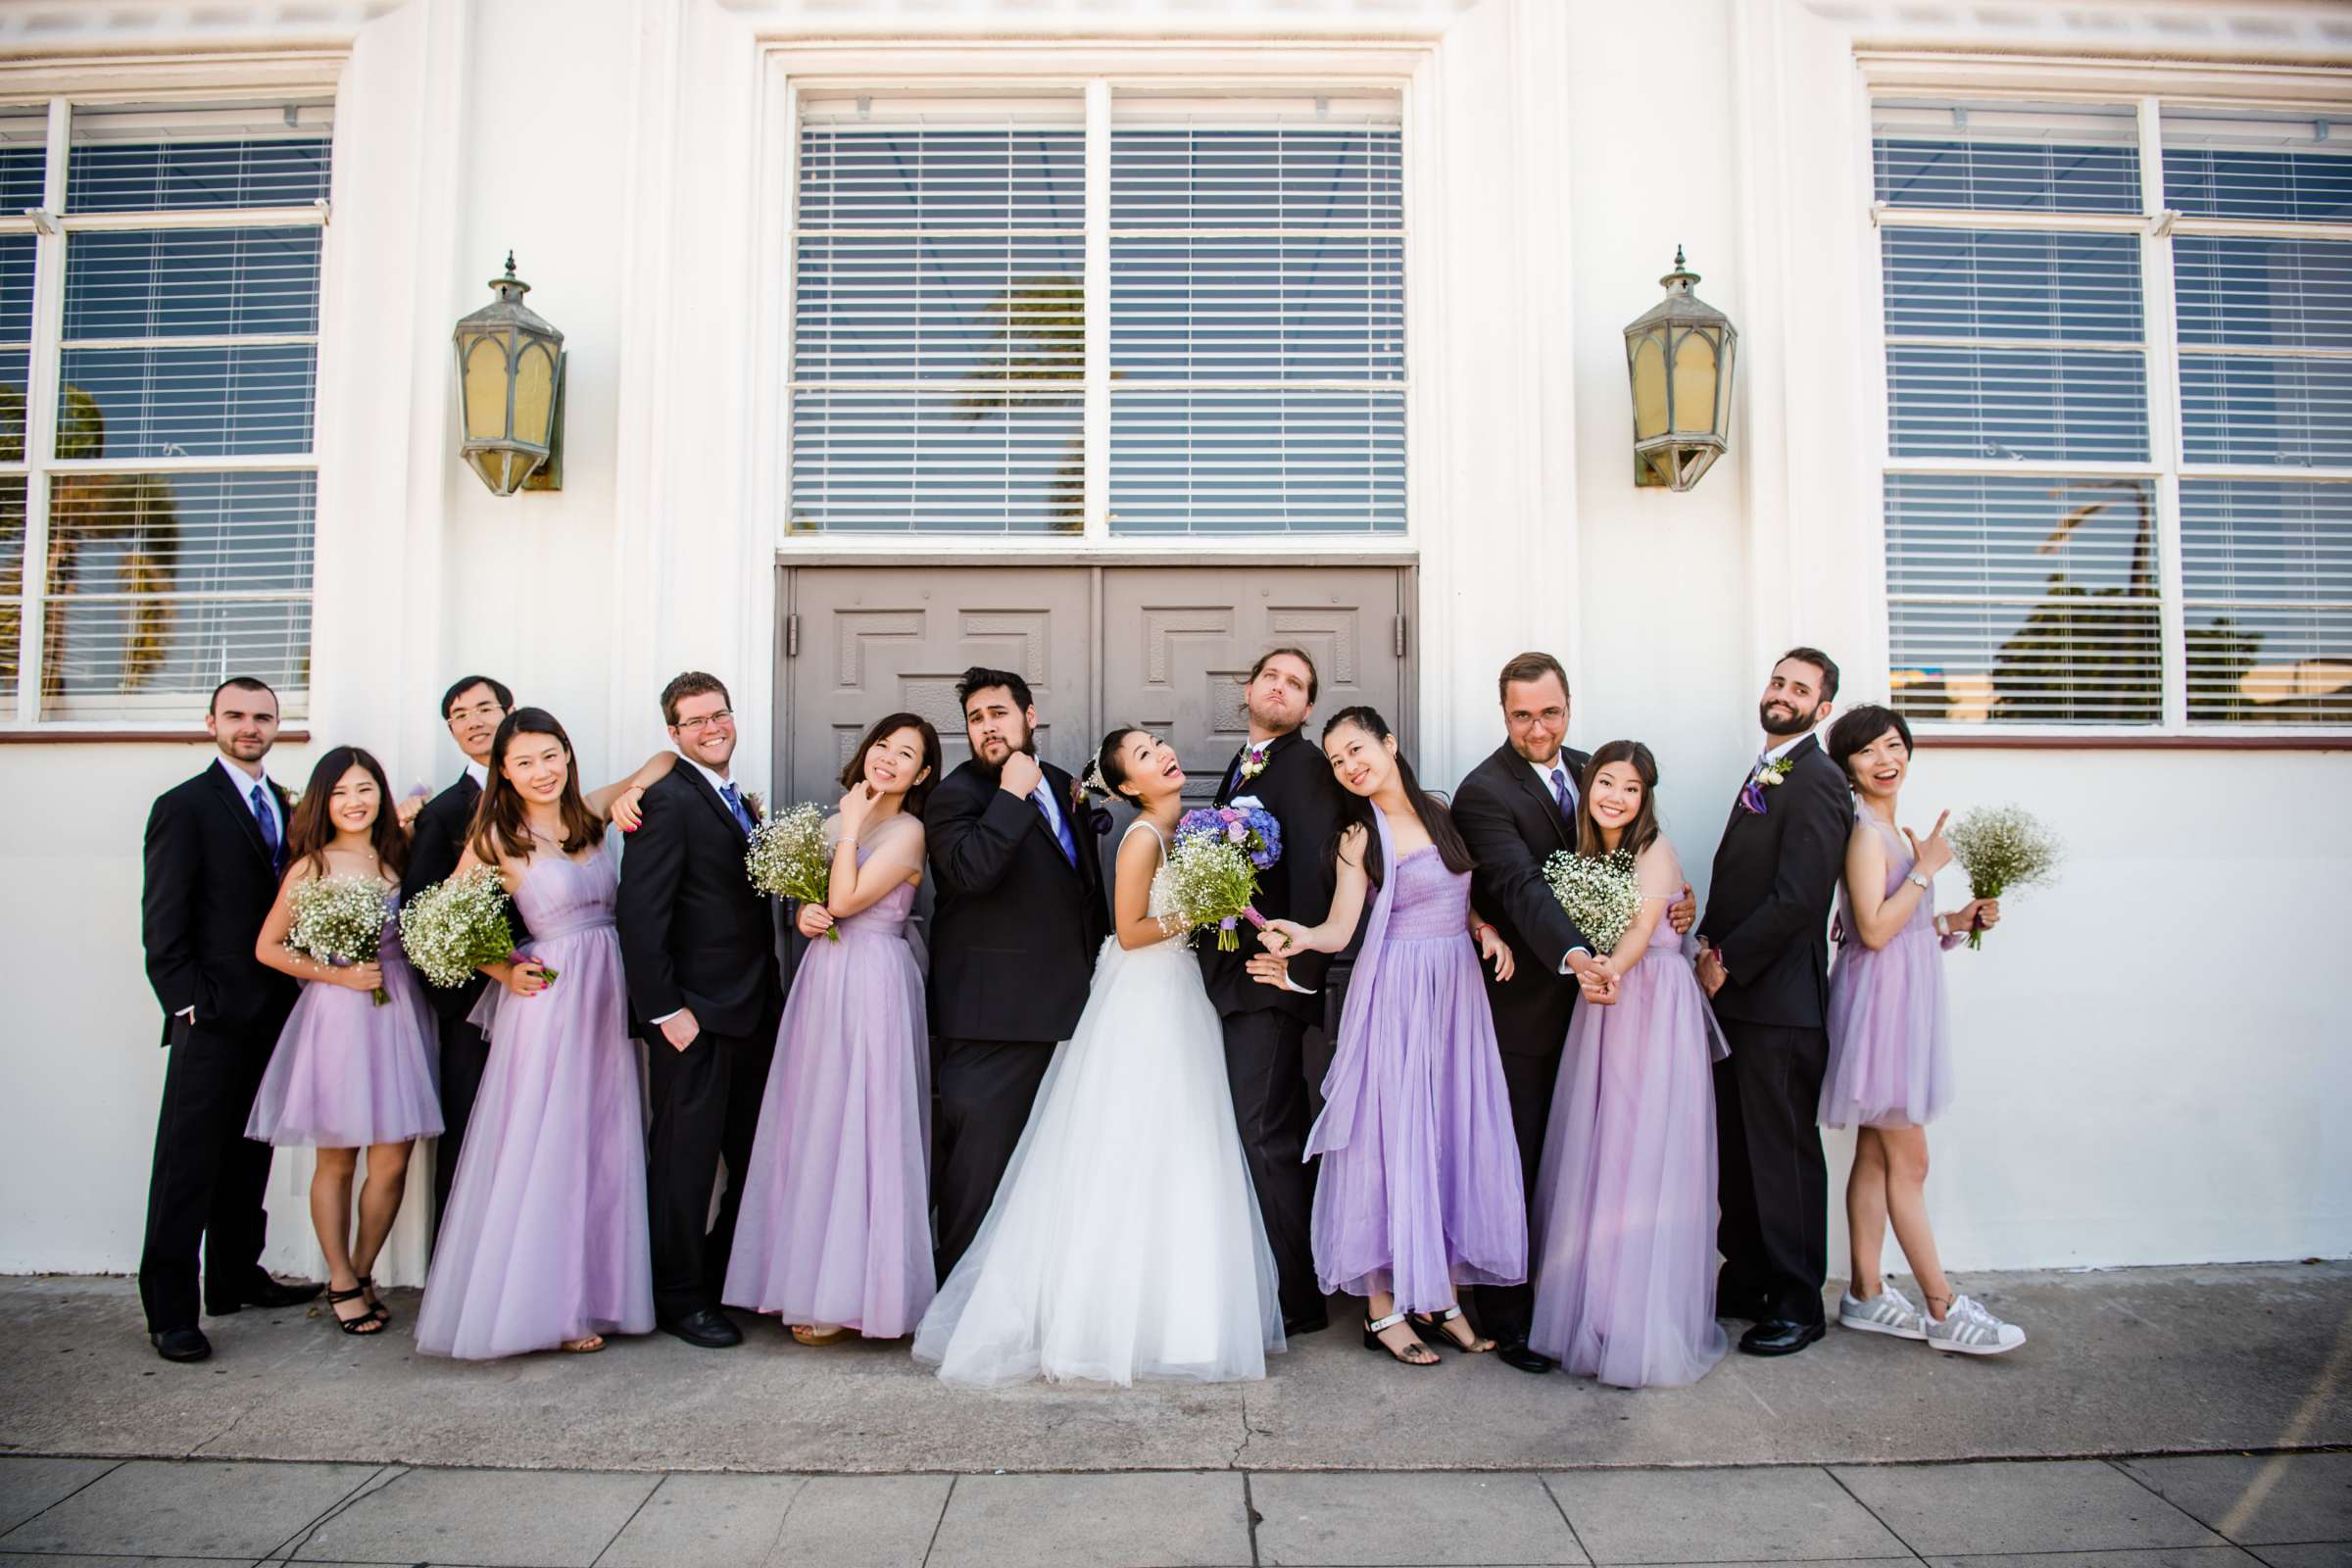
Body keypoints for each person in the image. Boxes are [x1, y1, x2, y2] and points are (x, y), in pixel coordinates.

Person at [914, 728, 1284, 1387]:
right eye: (1143, 755)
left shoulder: (1195, 831)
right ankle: (1098, 1318)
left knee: (1184, 1150)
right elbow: (1133, 929)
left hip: (1180, 999)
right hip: (1143, 998)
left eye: (1161, 744)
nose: (1164, 754)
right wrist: (1202, 910)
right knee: (1126, 1148)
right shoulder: (1142, 837)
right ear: (1129, 785)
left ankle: (1182, 1318)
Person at [1450, 652, 1694, 1373]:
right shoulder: (1483, 793)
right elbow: (1523, 886)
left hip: (1611, 1019)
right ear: (1504, 715)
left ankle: (1583, 1303)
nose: (1537, 727)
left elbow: (1643, 857)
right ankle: (1513, 1316)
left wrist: (1677, 903)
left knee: (1592, 1164)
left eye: (1549, 712)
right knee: (1522, 1160)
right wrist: (1578, 957)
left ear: (1569, 707)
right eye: (1522, 715)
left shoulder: (1599, 771)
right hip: (1532, 1003)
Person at [1259, 708, 1524, 1368]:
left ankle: (1443, 1297)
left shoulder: (1437, 808)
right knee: (1390, 1137)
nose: (1351, 766)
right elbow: (1342, 928)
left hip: (1456, 992)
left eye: (1357, 749)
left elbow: (1459, 891)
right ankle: (1383, 1309)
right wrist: (1302, 935)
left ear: (1389, 743)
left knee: (1450, 1133)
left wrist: (1484, 929)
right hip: (1399, 993)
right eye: (1339, 761)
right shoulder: (1358, 836)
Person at [415, 710, 672, 1358]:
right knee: (551, 1143)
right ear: (503, 771)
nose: (541, 771)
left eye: (551, 755)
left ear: (567, 754)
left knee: (603, 1141)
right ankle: (549, 1307)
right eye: (524, 761)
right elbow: (430, 926)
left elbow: (664, 761)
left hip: (607, 995)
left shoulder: (587, 815)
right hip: (551, 1002)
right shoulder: (496, 840)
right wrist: (502, 969)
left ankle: (600, 1295)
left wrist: (635, 794)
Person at [726, 714, 940, 1345]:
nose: (890, 760)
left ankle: (862, 1291)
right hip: (824, 979)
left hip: (874, 977)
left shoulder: (908, 831)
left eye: (908, 755)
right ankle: (805, 1280)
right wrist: (806, 916)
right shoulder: (827, 826)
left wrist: (847, 835)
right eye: (884, 746)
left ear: (921, 774)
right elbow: (818, 906)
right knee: (816, 1117)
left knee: (867, 1119)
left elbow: (850, 901)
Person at [1820, 706, 2025, 1355]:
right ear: (1848, 768)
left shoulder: (1901, 834)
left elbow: (1905, 931)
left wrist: (1955, 922)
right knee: (1912, 1159)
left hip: (1902, 1005)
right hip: (1880, 1013)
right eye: (1867, 752)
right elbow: (1872, 930)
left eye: (1893, 745)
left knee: (1881, 1155)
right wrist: (1927, 871)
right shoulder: (1865, 836)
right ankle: (1942, 1308)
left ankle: (1865, 1292)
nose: (1885, 760)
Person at [1526, 741, 1729, 1388]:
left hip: (1650, 1007)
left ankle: (1641, 1319)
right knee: (1603, 1152)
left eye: (1631, 787)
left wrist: (1609, 968)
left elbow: (1641, 934)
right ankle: (1600, 1309)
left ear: (1647, 798)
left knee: (1644, 1155)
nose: (1614, 795)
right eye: (1605, 782)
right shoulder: (1592, 855)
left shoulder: (1652, 850)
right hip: (1606, 1007)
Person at [137, 676, 322, 1362]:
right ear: (211, 720)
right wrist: (184, 1000)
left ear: (278, 725)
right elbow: (163, 918)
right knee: (187, 1164)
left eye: (263, 717)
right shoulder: (184, 806)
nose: (250, 726)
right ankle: (171, 1310)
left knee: (252, 1150)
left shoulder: (286, 805)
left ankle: (236, 1275)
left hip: (275, 1009)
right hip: (210, 1015)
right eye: (237, 715)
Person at [246, 746, 443, 1336]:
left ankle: (361, 1270)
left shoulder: (400, 857)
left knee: (392, 1158)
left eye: (364, 790)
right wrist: (338, 972)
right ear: (322, 801)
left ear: (380, 794)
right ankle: (338, 1278)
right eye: (339, 793)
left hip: (398, 1010)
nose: (354, 803)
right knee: (336, 1156)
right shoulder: (311, 866)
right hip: (339, 1015)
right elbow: (268, 948)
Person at [616, 672, 787, 1349]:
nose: (711, 728)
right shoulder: (666, 802)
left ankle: (718, 1276)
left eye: (718, 715)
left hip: (751, 1011)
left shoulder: (734, 799)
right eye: (694, 721)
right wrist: (664, 1012)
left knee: (751, 1155)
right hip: (694, 1019)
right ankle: (679, 1299)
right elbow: (639, 913)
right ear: (673, 734)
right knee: (684, 1164)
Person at [924, 667, 1109, 1280]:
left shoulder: (1062, 784)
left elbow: (1082, 892)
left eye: (998, 713)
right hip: (990, 1020)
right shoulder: (955, 796)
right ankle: (955, 1302)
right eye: (976, 719)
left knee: (1048, 1171)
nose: (987, 727)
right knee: (978, 1172)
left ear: (1030, 717)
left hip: (1068, 1012)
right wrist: (1010, 795)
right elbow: (971, 872)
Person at [1694, 648, 1853, 1357]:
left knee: (1783, 1159)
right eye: (1778, 681)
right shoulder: (1768, 769)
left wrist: (1725, 959)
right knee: (1740, 1151)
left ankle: (1797, 1302)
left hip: (1781, 1006)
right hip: (1738, 1004)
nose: (1783, 694)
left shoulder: (1816, 779)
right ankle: (1750, 1277)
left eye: (1800, 689)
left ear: (1823, 708)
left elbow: (1799, 899)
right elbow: (1747, 878)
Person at [1203, 648, 1347, 1337]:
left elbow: (1320, 872)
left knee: (1267, 1136)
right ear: (1250, 687)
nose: (1281, 689)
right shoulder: (1245, 763)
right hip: (1234, 980)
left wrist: (1299, 974)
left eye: (1296, 684)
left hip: (1271, 983)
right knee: (1254, 1132)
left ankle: (1298, 1296)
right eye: (1271, 677)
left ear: (1308, 708)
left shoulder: (1308, 767)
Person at [402, 674, 516, 1234]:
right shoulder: (444, 812)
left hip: (543, 996)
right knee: (470, 1133)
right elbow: (419, 916)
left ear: (509, 712)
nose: (473, 721)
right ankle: (455, 1269)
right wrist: (460, 999)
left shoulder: (543, 791)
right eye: (459, 714)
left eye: (484, 708)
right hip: (472, 1005)